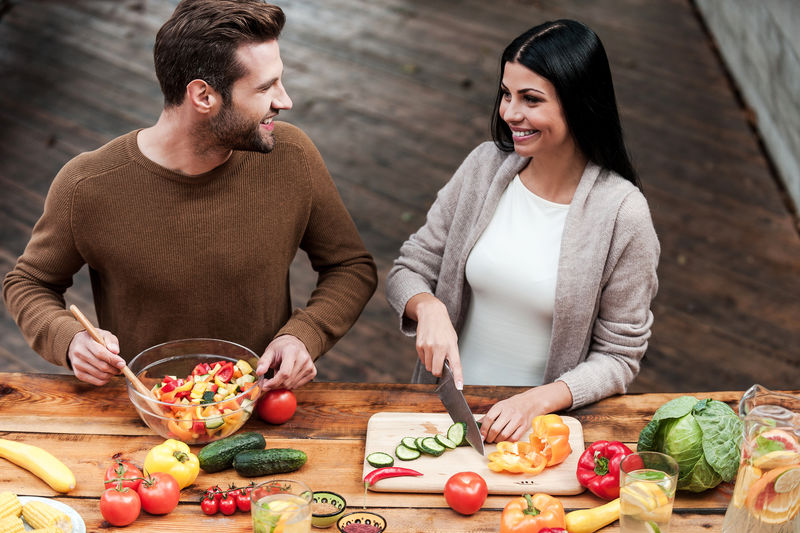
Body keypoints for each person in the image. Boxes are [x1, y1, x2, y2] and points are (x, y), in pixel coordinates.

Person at [3, 0, 377, 391]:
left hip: (260, 406)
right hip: (146, 414)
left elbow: (350, 266)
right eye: (265, 87)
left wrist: (304, 335)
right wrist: (69, 339)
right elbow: (29, 283)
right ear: (203, 96)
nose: (285, 101)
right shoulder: (87, 184)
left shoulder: (292, 155)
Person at [386, 19, 660, 443]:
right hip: (442, 413)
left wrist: (536, 402)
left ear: (579, 103)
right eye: (506, 94)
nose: (510, 113)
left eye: (531, 99)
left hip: (536, 433)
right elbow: (410, 267)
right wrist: (428, 308)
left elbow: (619, 357)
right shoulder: (483, 167)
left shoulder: (624, 215)